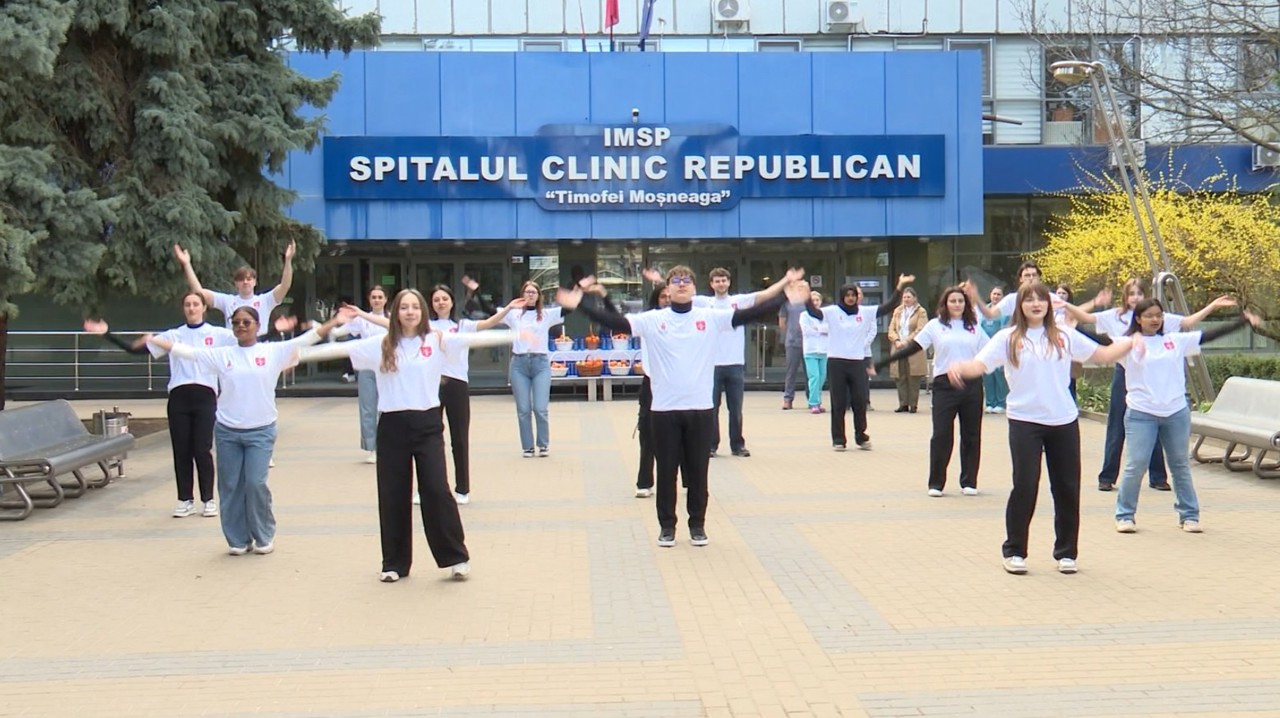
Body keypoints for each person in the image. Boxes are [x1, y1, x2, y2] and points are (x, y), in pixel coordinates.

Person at [559, 267, 807, 548]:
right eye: (675, 281)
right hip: (664, 409)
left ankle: (697, 525)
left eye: (686, 280)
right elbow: (616, 323)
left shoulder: (709, 317)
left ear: (693, 287)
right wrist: (580, 305)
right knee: (666, 472)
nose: (681, 285)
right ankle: (667, 527)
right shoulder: (653, 319)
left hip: (700, 408)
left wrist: (787, 299)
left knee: (698, 472)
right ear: (668, 287)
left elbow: (746, 315)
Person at [298, 290, 518, 582]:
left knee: (437, 490)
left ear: (422, 312)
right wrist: (298, 354)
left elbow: (475, 339)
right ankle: (394, 563)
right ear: (395, 313)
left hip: (427, 425)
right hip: (392, 426)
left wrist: (515, 336)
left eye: (415, 307)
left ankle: (456, 557)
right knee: (393, 494)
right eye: (404, 307)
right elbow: (336, 352)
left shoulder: (437, 340)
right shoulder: (381, 344)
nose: (410, 312)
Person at [946, 282, 1135, 576]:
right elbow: (980, 365)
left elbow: (1103, 355)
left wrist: (1133, 341)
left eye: (1041, 300)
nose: (1036, 304)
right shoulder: (1007, 338)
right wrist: (959, 368)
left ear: (1049, 305)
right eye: (1029, 300)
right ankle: (1015, 551)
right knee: (1025, 484)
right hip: (1025, 421)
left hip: (1063, 420)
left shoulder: (1064, 336)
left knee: (1067, 487)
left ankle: (1066, 553)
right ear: (1019, 305)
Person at [145, 308, 344, 555]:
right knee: (230, 486)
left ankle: (263, 535)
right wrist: (155, 340)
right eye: (236, 322)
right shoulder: (223, 354)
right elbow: (189, 353)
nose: (241, 326)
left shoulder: (271, 351)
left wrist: (335, 321)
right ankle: (237, 539)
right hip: (228, 431)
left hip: (260, 431)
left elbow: (306, 339)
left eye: (246, 322)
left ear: (257, 326)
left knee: (255, 482)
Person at [1063, 280, 1236, 492]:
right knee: (1117, 425)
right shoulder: (1115, 315)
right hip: (1125, 370)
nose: (1135, 297)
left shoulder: (1156, 316)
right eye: (1131, 293)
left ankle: (1157, 477)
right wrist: (1069, 305)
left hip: (1152, 376)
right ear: (1125, 297)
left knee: (1153, 420)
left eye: (1139, 293)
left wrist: (1213, 306)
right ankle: (1107, 476)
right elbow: (1089, 323)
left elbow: (1189, 322)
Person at [1112, 299, 1260, 534]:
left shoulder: (1174, 341)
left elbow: (1208, 336)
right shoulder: (1127, 344)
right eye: (1149, 315)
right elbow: (1098, 344)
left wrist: (1242, 322)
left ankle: (1189, 514)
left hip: (1175, 412)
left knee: (1180, 464)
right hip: (1142, 413)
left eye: (1158, 315)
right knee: (1136, 464)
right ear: (1138, 319)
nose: (1155, 320)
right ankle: (1125, 515)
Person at [83, 294, 236, 518]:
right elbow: (135, 350)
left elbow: (247, 340)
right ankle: (185, 500)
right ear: (183, 308)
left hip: (205, 396)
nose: (192, 308)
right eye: (187, 305)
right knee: (181, 450)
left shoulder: (218, 334)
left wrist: (277, 330)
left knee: (201, 449)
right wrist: (107, 333)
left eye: (196, 304)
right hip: (179, 397)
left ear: (204, 308)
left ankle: (208, 500)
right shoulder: (173, 335)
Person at [880, 286, 991, 497]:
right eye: (953, 301)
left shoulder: (974, 327)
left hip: (971, 385)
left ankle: (969, 480)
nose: (957, 304)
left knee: (971, 434)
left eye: (961, 301)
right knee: (941, 434)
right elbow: (915, 346)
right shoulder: (935, 325)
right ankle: (936, 482)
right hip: (944, 385)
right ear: (945, 304)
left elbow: (989, 352)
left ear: (966, 304)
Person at [805, 274, 912, 451]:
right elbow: (813, 312)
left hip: (857, 362)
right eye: (847, 295)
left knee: (860, 401)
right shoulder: (832, 312)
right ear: (842, 296)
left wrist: (900, 285)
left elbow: (889, 306)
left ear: (857, 297)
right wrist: (806, 294)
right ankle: (839, 439)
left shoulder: (865, 312)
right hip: (837, 361)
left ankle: (861, 436)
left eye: (853, 295)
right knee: (838, 402)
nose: (850, 298)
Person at [696, 268, 757, 457]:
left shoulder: (738, 301)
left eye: (723, 280)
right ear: (711, 284)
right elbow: (678, 294)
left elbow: (762, 296)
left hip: (735, 364)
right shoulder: (704, 303)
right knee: (711, 408)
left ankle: (737, 445)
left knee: (736, 408)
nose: (721, 284)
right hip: (712, 365)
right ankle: (710, 445)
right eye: (717, 281)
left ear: (729, 282)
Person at [174, 242, 295, 336]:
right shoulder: (227, 301)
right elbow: (199, 293)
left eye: (249, 279)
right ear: (236, 283)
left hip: (259, 350)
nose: (245, 282)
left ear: (255, 282)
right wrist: (186, 264)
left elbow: (285, 285)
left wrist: (288, 260)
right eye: (241, 279)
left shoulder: (265, 300)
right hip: (234, 350)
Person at [504, 281, 567, 458]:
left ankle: (543, 444)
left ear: (539, 295)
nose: (530, 294)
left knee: (540, 407)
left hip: (540, 363)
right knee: (523, 408)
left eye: (534, 292)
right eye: (527, 291)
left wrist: (573, 292)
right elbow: (491, 313)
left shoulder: (546, 314)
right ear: (522, 294)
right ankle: (527, 446)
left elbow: (568, 309)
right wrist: (476, 292)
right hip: (519, 363)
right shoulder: (514, 314)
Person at [332, 286, 389, 464]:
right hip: (367, 368)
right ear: (369, 299)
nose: (377, 300)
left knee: (387, 408)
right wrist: (329, 324)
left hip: (388, 368)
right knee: (368, 408)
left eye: (380, 297)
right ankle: (372, 448)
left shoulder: (391, 319)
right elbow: (338, 332)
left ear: (386, 299)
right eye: (374, 297)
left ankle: (387, 445)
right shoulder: (361, 320)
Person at [635, 281, 672, 498]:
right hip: (651, 381)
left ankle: (686, 478)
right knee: (647, 434)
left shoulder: (687, 320)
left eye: (670, 296)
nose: (667, 300)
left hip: (676, 385)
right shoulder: (648, 321)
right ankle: (644, 481)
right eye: (663, 296)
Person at [887, 287, 928, 413]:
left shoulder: (921, 312)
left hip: (912, 347)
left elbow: (920, 329)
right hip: (898, 347)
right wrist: (897, 341)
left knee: (913, 377)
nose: (906, 299)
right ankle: (903, 404)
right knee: (900, 376)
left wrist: (906, 341)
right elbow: (891, 329)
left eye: (909, 297)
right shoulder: (898, 311)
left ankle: (913, 405)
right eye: (904, 297)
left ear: (915, 298)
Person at [980, 286, 1010, 414]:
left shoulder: (1004, 312)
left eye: (999, 294)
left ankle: (1001, 403)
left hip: (999, 348)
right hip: (986, 348)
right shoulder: (985, 310)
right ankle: (990, 403)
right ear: (990, 295)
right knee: (988, 375)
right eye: (994, 294)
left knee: (999, 375)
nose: (996, 296)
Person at [800, 289, 829, 414]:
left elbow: (829, 329)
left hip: (823, 350)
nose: (815, 302)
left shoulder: (825, 314)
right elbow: (806, 331)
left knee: (822, 377)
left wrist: (818, 328)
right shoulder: (804, 315)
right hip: (810, 350)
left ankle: (818, 401)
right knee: (814, 377)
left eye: (817, 300)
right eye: (813, 300)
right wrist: (821, 330)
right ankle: (813, 403)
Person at [778, 286, 808, 410]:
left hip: (809, 342)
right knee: (791, 372)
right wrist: (789, 335)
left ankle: (812, 399)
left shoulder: (809, 302)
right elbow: (782, 322)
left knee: (811, 373)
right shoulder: (786, 303)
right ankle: (788, 399)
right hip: (792, 342)